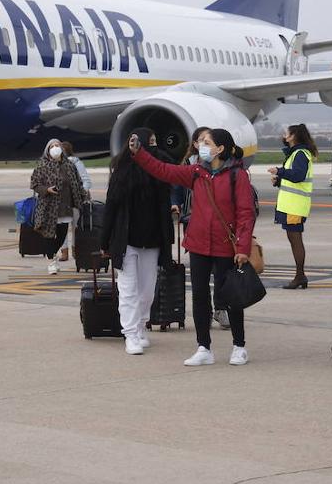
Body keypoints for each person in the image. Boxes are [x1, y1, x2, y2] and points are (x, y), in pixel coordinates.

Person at [131, 127, 255, 367]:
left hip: (225, 246)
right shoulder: (196, 172)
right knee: (199, 296)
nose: (201, 145)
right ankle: (203, 347)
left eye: (206, 141)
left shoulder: (237, 175)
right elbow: (164, 170)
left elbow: (246, 214)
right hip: (198, 243)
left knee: (230, 297)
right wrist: (140, 154)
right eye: (200, 141)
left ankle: (239, 346)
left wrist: (242, 247)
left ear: (220, 148)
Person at [101, 127, 174, 355]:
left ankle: (142, 325)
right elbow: (111, 206)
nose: (153, 146)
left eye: (154, 142)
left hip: (152, 240)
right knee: (128, 289)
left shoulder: (159, 171)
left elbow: (170, 165)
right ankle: (130, 333)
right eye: (148, 142)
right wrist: (104, 240)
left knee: (147, 291)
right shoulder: (122, 171)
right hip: (127, 241)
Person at [170, 126, 230, 330]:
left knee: (221, 271)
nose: (205, 144)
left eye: (208, 141)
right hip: (193, 220)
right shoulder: (189, 166)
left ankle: (221, 308)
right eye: (202, 141)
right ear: (194, 144)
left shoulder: (223, 167)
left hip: (218, 225)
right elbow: (176, 187)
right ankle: (204, 312)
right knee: (200, 274)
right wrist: (175, 202)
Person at [266, 124, 317, 289]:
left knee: (296, 240)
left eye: (286, 133)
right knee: (293, 239)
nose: (283, 135)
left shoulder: (300, 154)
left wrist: (279, 171)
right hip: (291, 205)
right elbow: (293, 178)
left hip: (295, 205)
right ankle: (300, 275)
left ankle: (300, 276)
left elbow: (298, 176)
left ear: (293, 136)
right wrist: (279, 180)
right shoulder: (296, 154)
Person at [30, 138, 88, 275]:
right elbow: (34, 184)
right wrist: (47, 190)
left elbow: (78, 183)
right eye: (52, 146)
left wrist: (83, 197)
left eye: (57, 145)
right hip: (48, 207)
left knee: (61, 235)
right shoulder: (42, 166)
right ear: (48, 150)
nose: (55, 148)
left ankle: (51, 254)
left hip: (65, 206)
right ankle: (51, 261)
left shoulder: (69, 166)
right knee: (49, 235)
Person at [59, 141, 92, 263]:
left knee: (67, 227)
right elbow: (87, 181)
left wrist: (81, 193)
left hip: (69, 201)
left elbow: (86, 181)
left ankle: (68, 251)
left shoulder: (75, 163)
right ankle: (72, 251)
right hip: (68, 201)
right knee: (75, 227)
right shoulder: (57, 164)